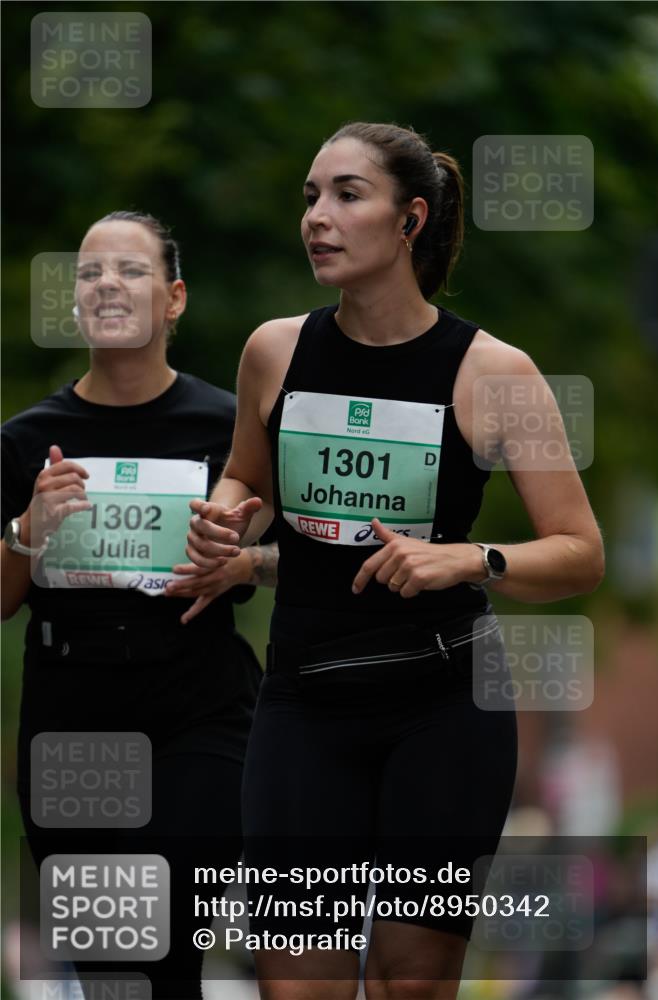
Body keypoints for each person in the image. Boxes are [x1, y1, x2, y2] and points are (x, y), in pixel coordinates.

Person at [185, 123, 605, 1000]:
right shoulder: (275, 350)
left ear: (409, 220)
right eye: (309, 198)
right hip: (304, 698)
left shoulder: (497, 373)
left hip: (444, 708)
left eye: (346, 195)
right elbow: (243, 478)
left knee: (409, 982)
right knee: (296, 986)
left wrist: (468, 559)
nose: (317, 218)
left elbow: (579, 553)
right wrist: (225, 520)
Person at [1, 211, 277, 999]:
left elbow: (312, 561)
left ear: (174, 298)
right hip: (70, 718)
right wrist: (28, 529)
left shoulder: (230, 426)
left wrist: (244, 564)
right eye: (89, 274)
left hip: (199, 708)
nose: (106, 286)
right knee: (116, 973)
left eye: (130, 270)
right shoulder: (27, 441)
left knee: (162, 939)